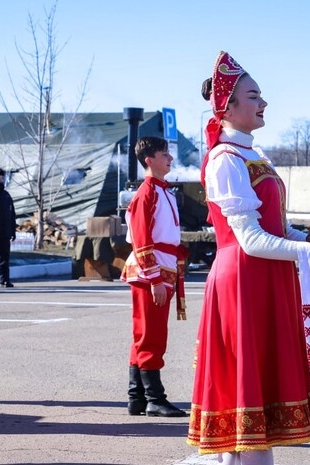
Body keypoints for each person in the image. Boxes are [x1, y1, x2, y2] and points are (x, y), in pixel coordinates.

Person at [187, 51, 310, 464]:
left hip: (266, 276)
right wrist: (308, 253)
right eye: (254, 96)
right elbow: (250, 239)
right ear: (228, 106)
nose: (263, 103)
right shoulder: (225, 160)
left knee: (256, 402)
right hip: (244, 279)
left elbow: (277, 229)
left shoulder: (253, 155)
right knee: (246, 399)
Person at [120, 136, 188, 418]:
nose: (170, 158)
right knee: (151, 334)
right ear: (149, 160)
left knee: (145, 334)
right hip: (152, 271)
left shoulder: (163, 191)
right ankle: (154, 398)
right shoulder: (147, 192)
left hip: (162, 267)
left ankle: (137, 397)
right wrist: (155, 279)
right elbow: (141, 237)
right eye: (164, 154)